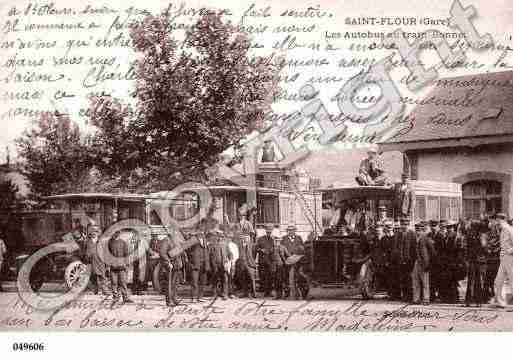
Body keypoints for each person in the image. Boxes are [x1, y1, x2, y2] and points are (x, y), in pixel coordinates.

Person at [465, 221, 488, 307]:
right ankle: (476, 301)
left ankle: (471, 301)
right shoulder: (479, 236)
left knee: (474, 281)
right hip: (478, 261)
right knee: (477, 281)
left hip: (476, 261)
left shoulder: (473, 236)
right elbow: (485, 249)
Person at [108, 230, 133, 304]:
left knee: (123, 282)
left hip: (122, 266)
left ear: (119, 234)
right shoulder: (110, 242)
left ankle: (125, 297)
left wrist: (127, 264)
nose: (116, 234)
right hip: (113, 266)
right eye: (115, 233)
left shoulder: (123, 242)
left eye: (117, 233)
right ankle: (115, 297)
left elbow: (126, 254)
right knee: (114, 282)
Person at [493, 213, 513, 307]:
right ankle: (500, 300)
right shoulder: (503, 230)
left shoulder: (509, 229)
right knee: (499, 280)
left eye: (497, 220)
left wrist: (510, 251)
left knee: (512, 279)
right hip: (503, 258)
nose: (497, 222)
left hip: (510, 257)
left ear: (502, 220)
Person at [159, 233, 184, 307]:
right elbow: (162, 253)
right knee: (169, 283)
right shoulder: (166, 240)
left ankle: (174, 299)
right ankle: (169, 301)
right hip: (170, 265)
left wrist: (180, 262)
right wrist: (168, 262)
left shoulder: (176, 240)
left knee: (175, 284)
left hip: (176, 265)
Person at [281, 225, 305, 299]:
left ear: (295, 231)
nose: (291, 232)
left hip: (297, 261)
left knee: (297, 276)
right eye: (289, 230)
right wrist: (285, 258)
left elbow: (302, 248)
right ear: (287, 231)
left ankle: (298, 293)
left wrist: (298, 254)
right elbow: (281, 249)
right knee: (286, 277)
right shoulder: (284, 239)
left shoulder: (299, 238)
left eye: (292, 230)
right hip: (287, 261)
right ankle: (287, 292)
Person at [85, 225, 109, 296]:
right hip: (91, 261)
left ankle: (105, 290)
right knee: (93, 277)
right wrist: (87, 256)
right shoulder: (88, 242)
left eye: (95, 232)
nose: (94, 233)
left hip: (100, 260)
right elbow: (87, 251)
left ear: (97, 233)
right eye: (92, 232)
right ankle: (95, 290)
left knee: (102, 276)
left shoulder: (101, 241)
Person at [411, 223, 432, 305]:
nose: (418, 232)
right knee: (415, 281)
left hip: (424, 262)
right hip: (416, 262)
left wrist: (428, 262)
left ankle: (426, 299)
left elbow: (432, 251)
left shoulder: (426, 239)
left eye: (419, 230)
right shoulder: (414, 239)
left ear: (423, 230)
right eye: (416, 230)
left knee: (425, 282)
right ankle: (416, 299)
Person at [187, 232, 210, 303]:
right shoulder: (192, 241)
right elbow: (187, 251)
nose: (201, 236)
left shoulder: (206, 242)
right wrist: (190, 262)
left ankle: (200, 296)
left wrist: (207, 263)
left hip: (204, 265)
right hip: (195, 265)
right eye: (199, 234)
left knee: (203, 282)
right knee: (194, 282)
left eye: (202, 234)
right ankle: (194, 297)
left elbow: (207, 252)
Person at [208, 229, 230, 300]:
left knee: (225, 279)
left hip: (223, 265)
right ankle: (214, 294)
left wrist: (229, 261)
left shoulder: (225, 245)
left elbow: (229, 253)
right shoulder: (212, 245)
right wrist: (211, 264)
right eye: (218, 237)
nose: (220, 238)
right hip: (215, 265)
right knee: (215, 280)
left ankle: (224, 294)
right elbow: (209, 255)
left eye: (221, 236)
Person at [256, 224, 276, 297]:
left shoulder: (273, 239)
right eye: (268, 231)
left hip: (270, 261)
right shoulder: (260, 239)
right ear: (265, 231)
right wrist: (261, 250)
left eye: (270, 231)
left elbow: (275, 249)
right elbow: (256, 248)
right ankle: (265, 291)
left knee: (270, 276)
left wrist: (272, 250)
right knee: (263, 276)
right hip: (262, 260)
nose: (269, 232)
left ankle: (269, 291)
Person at [237, 233, 257, 298]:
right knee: (243, 279)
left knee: (251, 279)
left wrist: (252, 262)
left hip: (250, 265)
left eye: (246, 238)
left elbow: (254, 254)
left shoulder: (252, 245)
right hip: (242, 264)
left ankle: (253, 293)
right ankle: (245, 293)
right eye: (243, 238)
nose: (245, 239)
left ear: (249, 239)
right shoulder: (239, 246)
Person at [225, 228, 239, 299]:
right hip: (225, 263)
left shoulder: (234, 245)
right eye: (227, 237)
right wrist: (226, 261)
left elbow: (236, 255)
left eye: (230, 237)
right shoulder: (224, 245)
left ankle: (231, 293)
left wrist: (233, 262)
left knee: (231, 278)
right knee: (225, 279)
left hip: (232, 263)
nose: (229, 238)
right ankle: (225, 293)